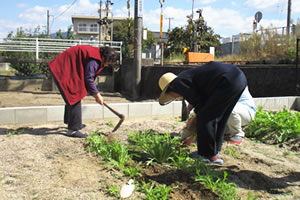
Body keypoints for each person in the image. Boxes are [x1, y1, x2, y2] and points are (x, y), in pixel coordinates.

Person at [158, 61, 247, 164]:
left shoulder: (178, 84)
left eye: (172, 95)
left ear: (170, 89)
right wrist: (193, 107)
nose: (176, 97)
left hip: (226, 81)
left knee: (205, 117)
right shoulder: (186, 77)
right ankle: (214, 152)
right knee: (220, 118)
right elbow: (202, 94)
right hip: (238, 78)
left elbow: (201, 106)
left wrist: (191, 130)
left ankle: (206, 155)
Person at [48, 45, 116, 138]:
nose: (106, 65)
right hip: (62, 69)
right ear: (104, 57)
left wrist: (95, 93)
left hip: (65, 67)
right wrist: (97, 95)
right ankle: (73, 129)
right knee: (75, 95)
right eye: (107, 62)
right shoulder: (94, 60)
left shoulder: (95, 54)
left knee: (73, 94)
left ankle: (72, 122)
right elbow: (89, 78)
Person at [181, 86, 256, 146]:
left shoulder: (227, 84)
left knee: (227, 109)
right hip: (232, 112)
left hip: (246, 111)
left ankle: (237, 134)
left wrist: (193, 133)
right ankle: (226, 131)